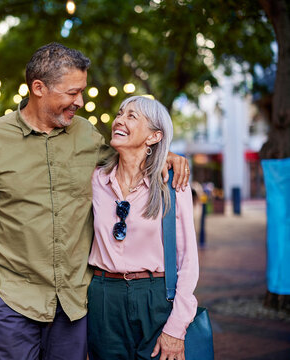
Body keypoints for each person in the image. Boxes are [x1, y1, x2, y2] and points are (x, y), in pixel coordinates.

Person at [0, 43, 190, 360]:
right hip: (10, 300)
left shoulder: (86, 135)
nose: (81, 101)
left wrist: (163, 154)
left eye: (82, 91)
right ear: (39, 88)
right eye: (72, 93)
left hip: (74, 305)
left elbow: (125, 164)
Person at [87, 96, 198, 360]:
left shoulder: (173, 184)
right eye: (120, 114)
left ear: (153, 136)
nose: (119, 120)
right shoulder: (96, 180)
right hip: (104, 297)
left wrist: (177, 327)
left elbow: (188, 260)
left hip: (155, 297)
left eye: (132, 116)